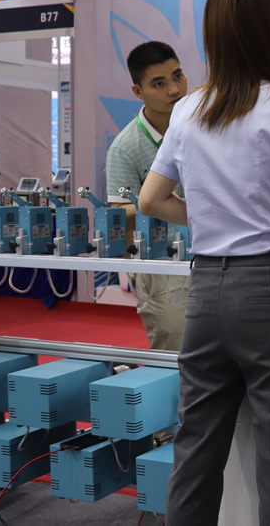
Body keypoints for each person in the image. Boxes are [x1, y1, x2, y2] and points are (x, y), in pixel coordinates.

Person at [139, 0, 270, 526]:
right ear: (269, 32)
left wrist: (210, 216)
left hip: (207, 287)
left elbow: (151, 199)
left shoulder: (189, 109)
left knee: (195, 446)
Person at [105, 41, 189, 350]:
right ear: (138, 91)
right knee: (175, 346)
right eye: (159, 83)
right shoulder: (125, 148)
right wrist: (156, 202)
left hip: (214, 255)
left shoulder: (203, 126)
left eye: (178, 76)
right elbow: (119, 215)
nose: (174, 89)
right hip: (161, 262)